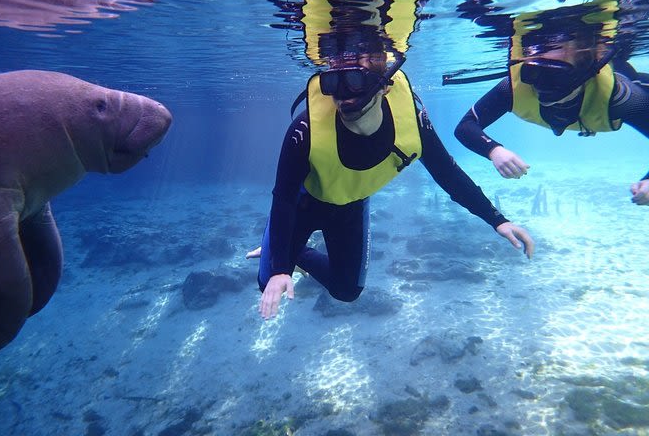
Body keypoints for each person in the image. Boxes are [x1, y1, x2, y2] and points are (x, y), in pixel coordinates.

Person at [248, 40, 535, 320]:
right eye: (333, 85)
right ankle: (281, 248)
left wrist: (497, 219)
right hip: (302, 204)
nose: (344, 97)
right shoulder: (304, 129)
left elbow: (447, 173)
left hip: (350, 203)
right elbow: (284, 198)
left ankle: (297, 253)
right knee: (268, 282)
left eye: (356, 82)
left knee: (347, 291)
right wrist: (280, 267)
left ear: (386, 86)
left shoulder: (411, 119)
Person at [454, 33, 649, 206]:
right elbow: (465, 126)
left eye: (556, 75)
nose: (541, 85)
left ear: (586, 73)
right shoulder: (514, 89)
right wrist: (493, 150)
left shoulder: (621, 98)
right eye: (534, 71)